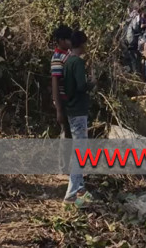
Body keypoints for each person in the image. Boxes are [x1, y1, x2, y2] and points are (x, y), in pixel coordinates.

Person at [62, 30, 95, 205]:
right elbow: (81, 86)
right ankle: (71, 193)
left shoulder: (67, 62)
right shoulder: (78, 63)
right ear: (81, 44)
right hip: (79, 110)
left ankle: (80, 187)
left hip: (71, 109)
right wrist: (92, 83)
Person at [51, 25, 72, 138]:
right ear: (61, 40)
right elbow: (55, 82)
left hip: (72, 101)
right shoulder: (57, 57)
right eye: (68, 39)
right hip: (64, 101)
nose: (70, 42)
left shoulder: (68, 54)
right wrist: (59, 109)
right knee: (68, 134)